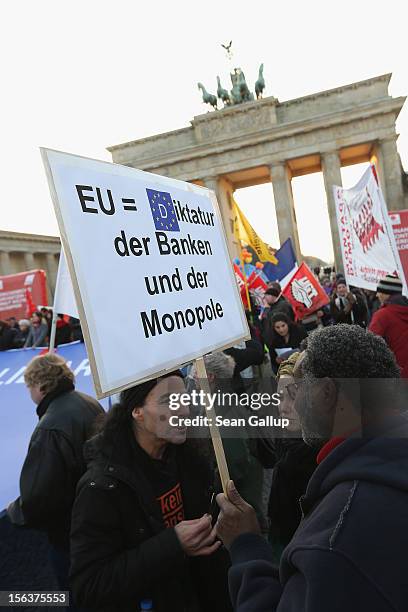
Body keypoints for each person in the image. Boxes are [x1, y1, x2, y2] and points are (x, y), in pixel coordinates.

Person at [215, 324, 408, 612]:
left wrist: (246, 547)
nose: (295, 403)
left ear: (328, 392)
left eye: (300, 388)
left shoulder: (337, 534)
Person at [70, 372, 231, 612]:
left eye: (184, 400)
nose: (184, 411)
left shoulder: (190, 460)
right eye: (169, 401)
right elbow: (88, 588)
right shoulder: (102, 488)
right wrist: (172, 545)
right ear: (137, 411)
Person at [7, 353, 104, 597]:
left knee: (77, 596)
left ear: (40, 386)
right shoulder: (88, 402)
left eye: (29, 386)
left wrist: (13, 512)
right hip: (102, 519)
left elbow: (38, 497)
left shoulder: (50, 427)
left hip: (72, 534)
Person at [257, 352, 318, 562]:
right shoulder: (285, 445)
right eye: (280, 397)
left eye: (294, 396)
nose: (283, 408)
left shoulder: (296, 464)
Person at [369, 274, 408, 378]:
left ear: (387, 294)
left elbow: (369, 346)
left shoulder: (382, 315)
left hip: (396, 375)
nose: (377, 295)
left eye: (379, 291)